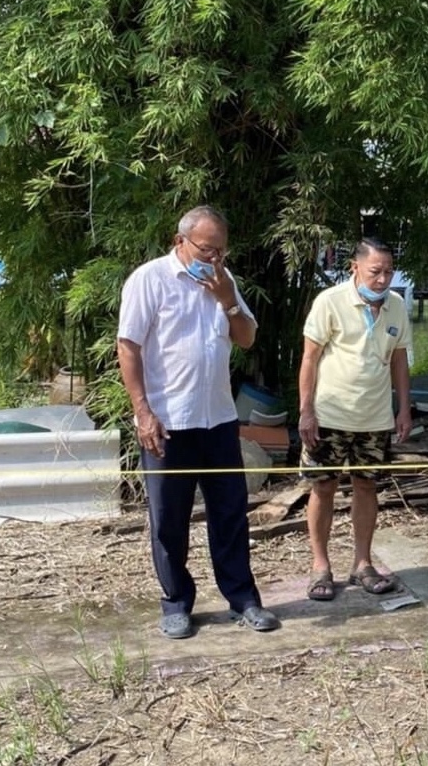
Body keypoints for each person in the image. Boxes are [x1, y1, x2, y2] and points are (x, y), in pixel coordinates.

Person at [117, 205, 280, 639]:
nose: (214, 258)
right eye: (206, 249)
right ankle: (176, 603)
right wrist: (143, 412)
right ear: (180, 242)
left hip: (219, 419)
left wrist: (227, 300)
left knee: (230, 514)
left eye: (221, 251)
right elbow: (128, 347)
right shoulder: (149, 279)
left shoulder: (224, 282)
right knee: (169, 518)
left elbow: (246, 337)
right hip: (168, 422)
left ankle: (243, 599)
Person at [298, 238, 412, 601]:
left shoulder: (396, 306)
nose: (383, 279)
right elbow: (309, 358)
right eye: (375, 271)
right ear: (355, 268)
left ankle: (363, 563)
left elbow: (399, 359)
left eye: (389, 272)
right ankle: (320, 565)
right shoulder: (330, 301)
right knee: (323, 487)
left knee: (367, 486)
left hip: (375, 417)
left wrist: (404, 408)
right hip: (330, 415)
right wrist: (306, 410)